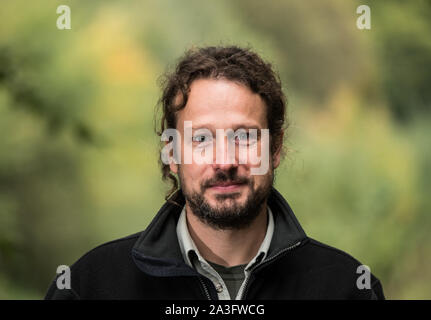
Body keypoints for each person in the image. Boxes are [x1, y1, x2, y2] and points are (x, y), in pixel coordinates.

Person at [45, 46, 385, 300]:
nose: (224, 161)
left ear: (275, 148)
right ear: (172, 153)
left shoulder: (348, 288)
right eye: (202, 138)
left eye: (245, 136)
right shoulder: (88, 288)